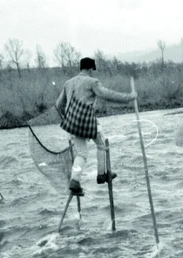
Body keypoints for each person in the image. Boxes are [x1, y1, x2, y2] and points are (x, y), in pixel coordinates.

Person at [56, 57, 137, 195]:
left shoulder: (68, 83)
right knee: (102, 144)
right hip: (86, 122)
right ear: (89, 69)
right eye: (92, 70)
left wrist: (69, 118)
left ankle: (74, 181)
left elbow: (58, 105)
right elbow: (107, 95)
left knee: (81, 153)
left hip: (71, 124)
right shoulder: (92, 82)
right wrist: (129, 97)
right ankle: (102, 174)